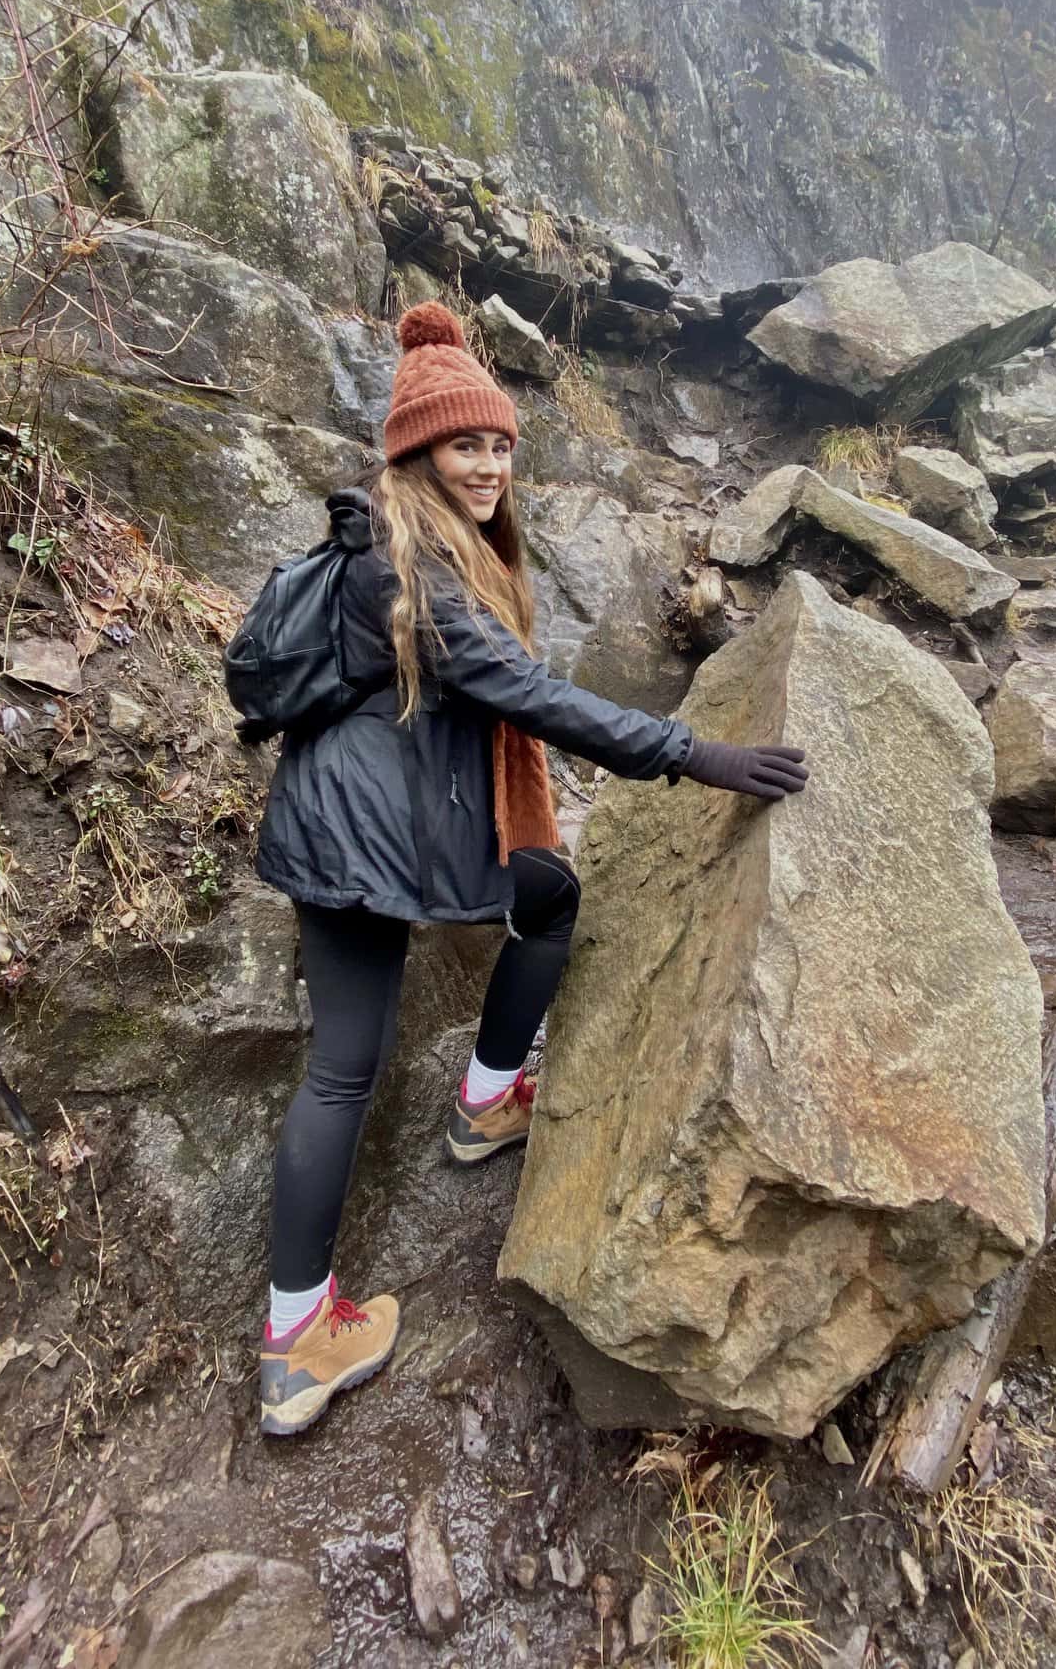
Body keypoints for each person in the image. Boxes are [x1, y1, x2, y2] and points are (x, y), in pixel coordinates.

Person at [254, 301, 808, 1437]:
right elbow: (533, 696)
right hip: (359, 832)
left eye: (501, 444)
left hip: (367, 807)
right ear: (417, 451)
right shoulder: (406, 566)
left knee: (545, 894)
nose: (490, 463)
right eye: (467, 444)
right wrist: (696, 752)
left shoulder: (416, 543)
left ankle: (487, 1095)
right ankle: (297, 1337)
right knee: (344, 1072)